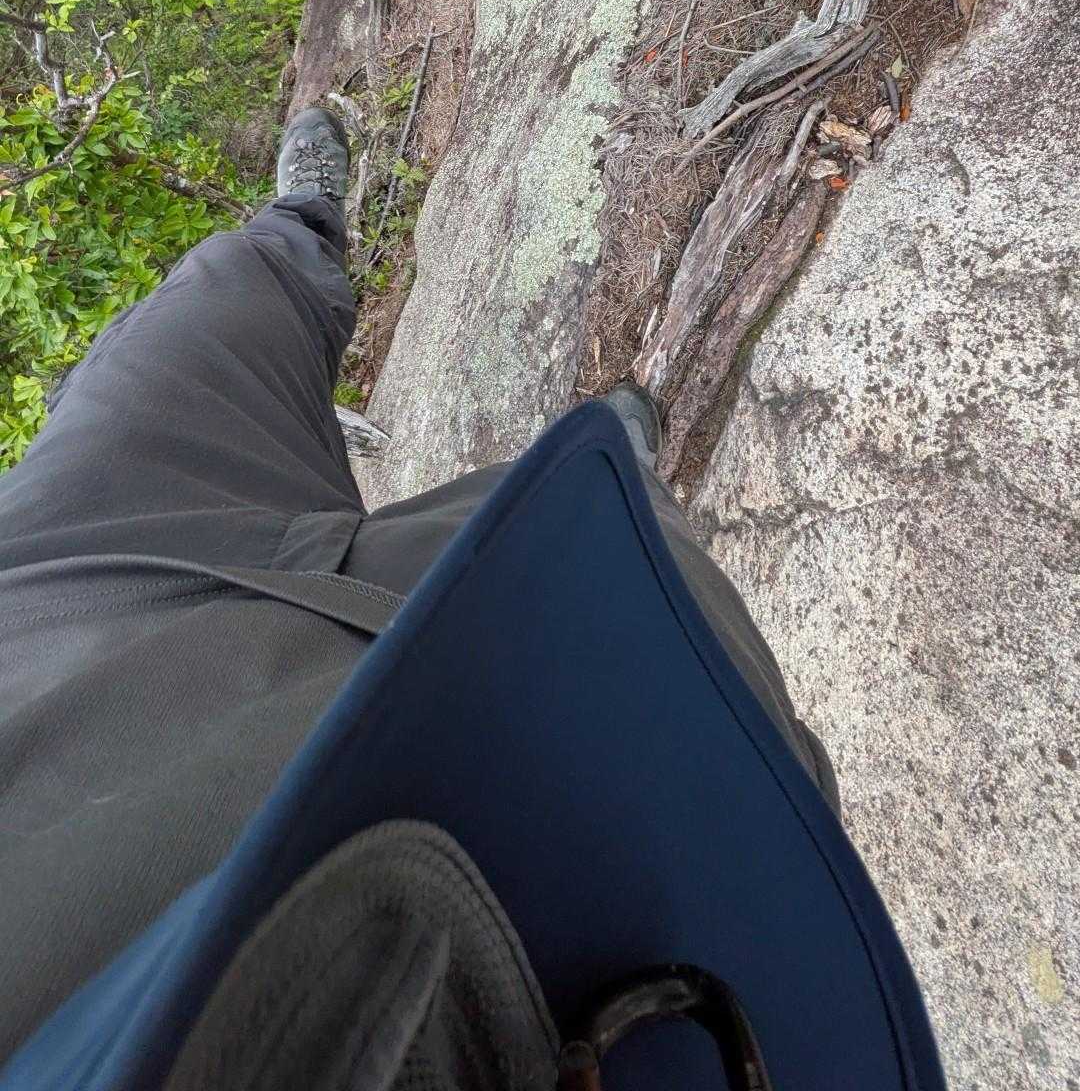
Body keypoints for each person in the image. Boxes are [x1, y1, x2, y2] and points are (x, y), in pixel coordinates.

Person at [0, 111, 946, 1091]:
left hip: (59, 617)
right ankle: (625, 474)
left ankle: (300, 227)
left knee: (201, 318)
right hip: (475, 852)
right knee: (653, 592)